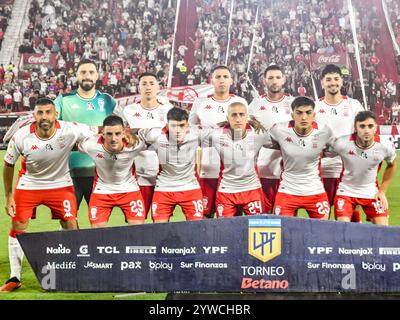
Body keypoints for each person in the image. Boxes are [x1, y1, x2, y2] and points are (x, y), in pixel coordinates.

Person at [0, 98, 95, 292]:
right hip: (29, 184)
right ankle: (14, 277)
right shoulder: (21, 136)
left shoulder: (71, 129)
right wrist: (8, 196)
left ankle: (75, 272)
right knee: (18, 225)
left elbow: (98, 134)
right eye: (40, 113)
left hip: (61, 184)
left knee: (70, 225)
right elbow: (8, 164)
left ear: (55, 114)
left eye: (48, 112)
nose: (44, 117)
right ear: (34, 116)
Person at [54, 59, 117, 212]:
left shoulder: (108, 101)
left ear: (97, 76)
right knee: (67, 221)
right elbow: (51, 127)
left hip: (99, 173)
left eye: (91, 72)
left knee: (99, 224)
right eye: (83, 72)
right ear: (76, 75)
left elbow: (118, 131)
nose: (87, 76)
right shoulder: (64, 100)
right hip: (68, 174)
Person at [189, 65, 248, 218]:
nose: (222, 80)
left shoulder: (241, 101)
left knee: (234, 218)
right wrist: (211, 132)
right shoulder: (200, 102)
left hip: (235, 171)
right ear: (212, 80)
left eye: (225, 77)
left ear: (231, 80)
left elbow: (248, 131)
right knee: (205, 215)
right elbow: (190, 130)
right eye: (218, 77)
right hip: (208, 168)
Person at [114, 72, 173, 219]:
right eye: (144, 84)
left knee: (161, 220)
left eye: (152, 83)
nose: (148, 87)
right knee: (136, 221)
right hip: (137, 175)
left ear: (158, 87)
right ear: (138, 87)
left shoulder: (168, 110)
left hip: (163, 175)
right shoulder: (129, 111)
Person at [269, 97, 334, 219]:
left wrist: (322, 153)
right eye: (299, 113)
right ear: (292, 115)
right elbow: (260, 139)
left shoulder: (324, 131)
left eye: (308, 113)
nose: (304, 117)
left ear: (314, 115)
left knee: (323, 231)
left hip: (315, 190)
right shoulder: (279, 129)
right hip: (287, 190)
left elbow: (337, 148)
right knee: (283, 231)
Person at [315, 64, 364, 222]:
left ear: (342, 82)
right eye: (328, 79)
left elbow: (363, 135)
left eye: (336, 79)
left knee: (351, 221)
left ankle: (352, 247)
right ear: (322, 83)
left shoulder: (353, 105)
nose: (332, 83)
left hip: (348, 172)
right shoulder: (315, 108)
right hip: (322, 171)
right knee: (322, 220)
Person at [77, 115, 146, 228]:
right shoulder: (90, 145)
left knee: (138, 230)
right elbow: (75, 146)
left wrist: (132, 133)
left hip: (129, 189)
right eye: (109, 134)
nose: (113, 138)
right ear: (102, 134)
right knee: (97, 232)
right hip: (102, 190)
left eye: (117, 134)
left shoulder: (135, 145)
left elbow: (149, 137)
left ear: (124, 133)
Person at [138, 107, 205, 222]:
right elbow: (137, 134)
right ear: (167, 126)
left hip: (190, 187)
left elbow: (220, 134)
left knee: (197, 228)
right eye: (173, 126)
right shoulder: (155, 135)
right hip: (164, 188)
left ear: (187, 125)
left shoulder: (196, 134)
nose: (177, 130)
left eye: (182, 125)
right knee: (159, 228)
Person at [330, 111, 397, 225]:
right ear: (355, 128)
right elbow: (321, 154)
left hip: (371, 192)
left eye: (370, 126)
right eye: (362, 126)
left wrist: (382, 191)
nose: (366, 130)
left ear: (376, 127)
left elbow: (392, 164)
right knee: (343, 227)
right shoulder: (342, 143)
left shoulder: (384, 145)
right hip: (346, 190)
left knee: (383, 229)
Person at [211, 102, 271, 218]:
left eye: (241, 114)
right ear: (227, 118)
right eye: (234, 115)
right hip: (226, 190)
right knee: (225, 231)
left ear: (247, 117)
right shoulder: (216, 136)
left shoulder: (259, 134)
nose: (238, 119)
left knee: (257, 229)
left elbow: (280, 143)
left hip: (252, 189)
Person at [248, 65, 294, 212]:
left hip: (287, 170)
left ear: (284, 79)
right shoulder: (255, 105)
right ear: (264, 81)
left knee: (286, 216)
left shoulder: (293, 103)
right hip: (263, 168)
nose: (274, 81)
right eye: (271, 78)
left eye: (278, 77)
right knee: (264, 215)